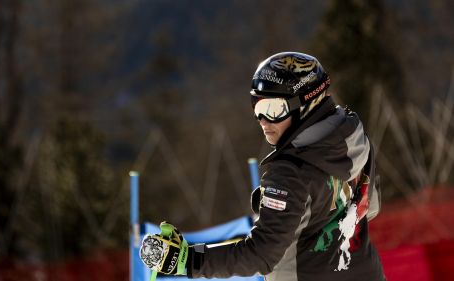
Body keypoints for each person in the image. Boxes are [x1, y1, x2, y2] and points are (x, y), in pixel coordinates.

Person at [139, 52, 386, 281]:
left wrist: (187, 260)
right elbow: (370, 207)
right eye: (256, 107)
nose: (262, 120)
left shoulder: (290, 172)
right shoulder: (354, 136)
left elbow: (260, 255)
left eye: (273, 109)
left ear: (306, 103)